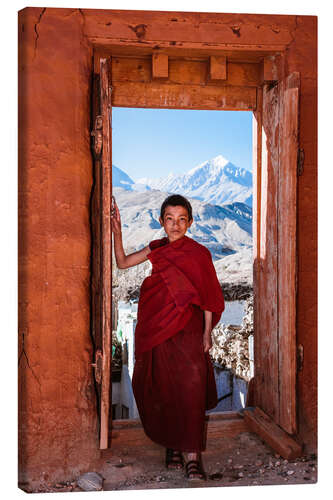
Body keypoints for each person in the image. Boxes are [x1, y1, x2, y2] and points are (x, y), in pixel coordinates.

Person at [111, 193, 224, 481]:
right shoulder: (156, 249)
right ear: (161, 221)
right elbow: (123, 263)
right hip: (158, 330)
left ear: (190, 222)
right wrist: (117, 231)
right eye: (170, 219)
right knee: (164, 389)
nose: (175, 225)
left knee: (191, 391)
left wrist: (206, 334)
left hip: (188, 332)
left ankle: (193, 456)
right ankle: (173, 447)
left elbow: (210, 297)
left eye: (181, 219)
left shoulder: (199, 254)